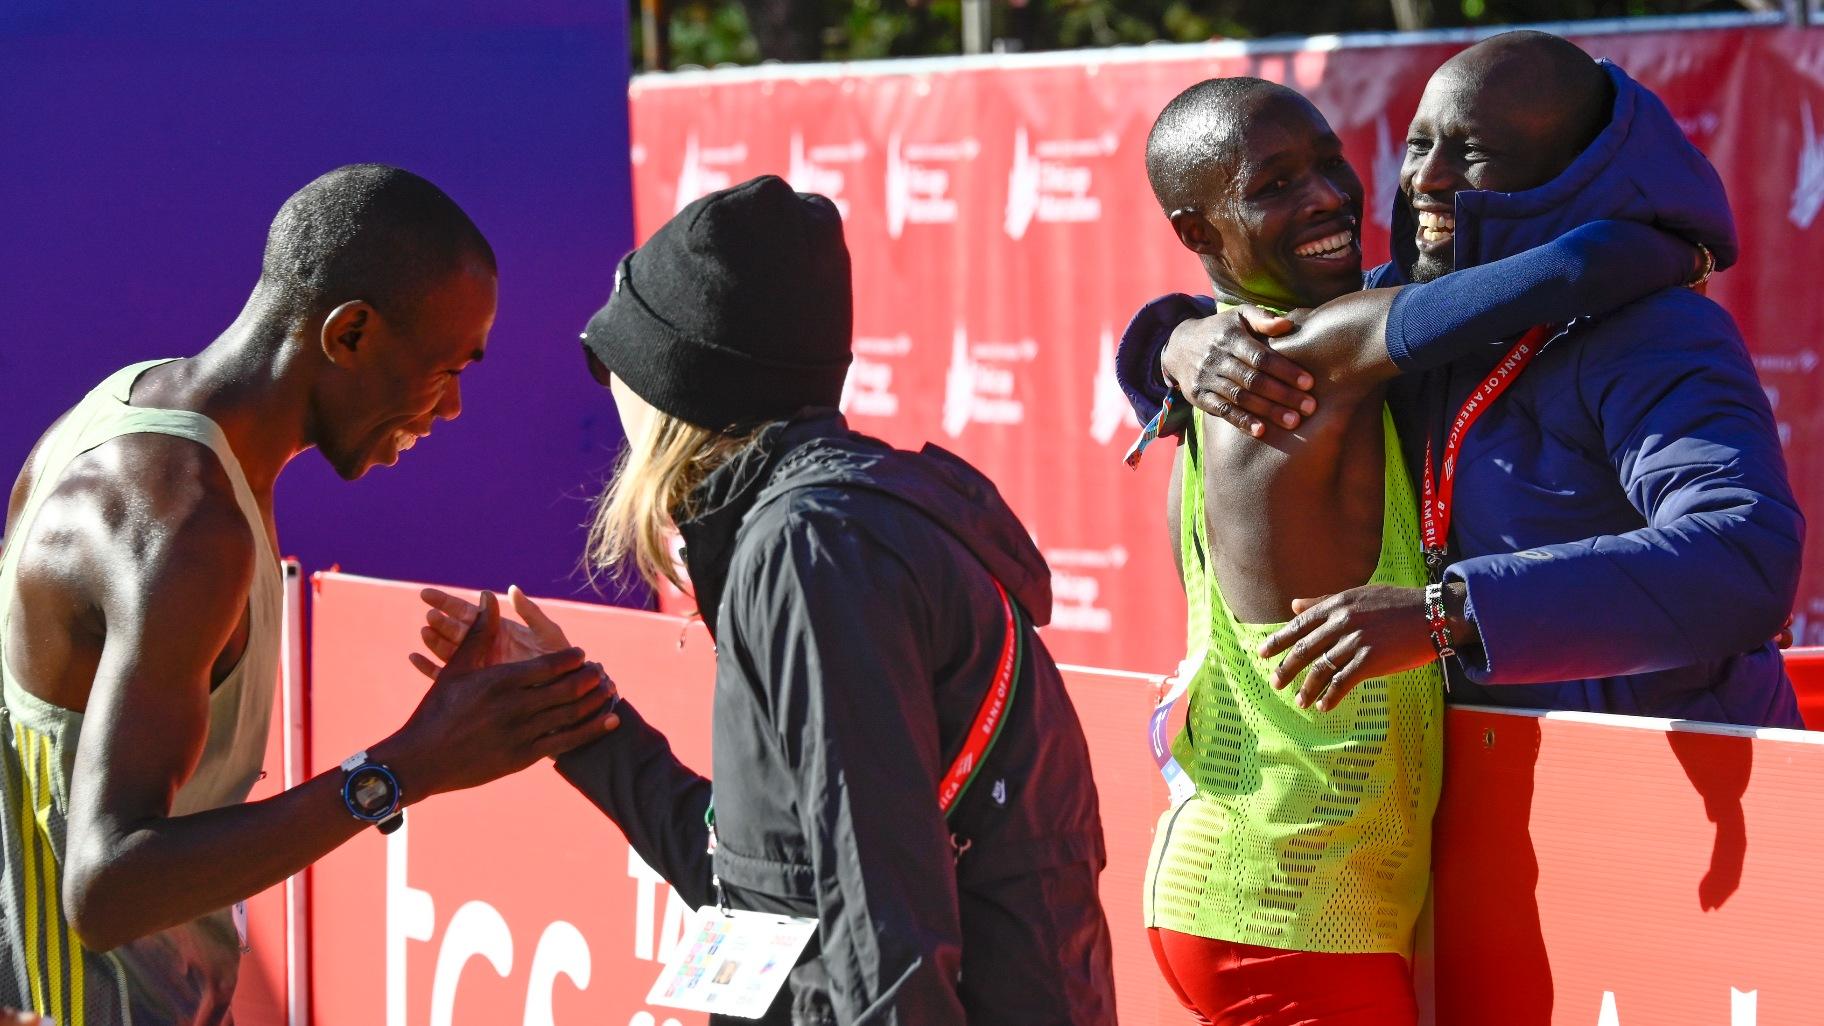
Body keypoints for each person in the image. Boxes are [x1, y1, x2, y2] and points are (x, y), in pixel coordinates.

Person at [414, 175, 1116, 1025]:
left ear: (680, 385)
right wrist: (577, 719)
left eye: (615, 363)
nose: (609, 394)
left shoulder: (811, 547)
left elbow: (881, 918)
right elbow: (762, 888)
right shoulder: (806, 530)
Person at [1133, 70, 1708, 1026]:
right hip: (1281, 911)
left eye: (1329, 161)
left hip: (1268, 897)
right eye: (1272, 185)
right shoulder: (1316, 353)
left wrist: (1169, 335)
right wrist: (1686, 244)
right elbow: (1572, 271)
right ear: (1198, 235)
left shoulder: (1243, 366)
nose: (1325, 196)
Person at [0, 164, 618, 1024]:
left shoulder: (131, 416)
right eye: (446, 367)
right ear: (351, 332)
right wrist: (407, 767)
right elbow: (106, 889)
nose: (454, 408)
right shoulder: (187, 527)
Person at [1119, 31, 1803, 726]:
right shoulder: (1398, 304)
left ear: (1568, 172)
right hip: (1479, 798)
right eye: (1419, 145)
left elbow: (1744, 554)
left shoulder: (1659, 331)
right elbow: (1262, 321)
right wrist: (1175, 344)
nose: (1426, 179)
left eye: (1471, 153)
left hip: (1672, 790)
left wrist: (1455, 613)